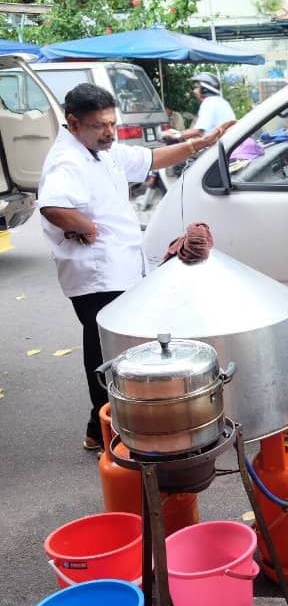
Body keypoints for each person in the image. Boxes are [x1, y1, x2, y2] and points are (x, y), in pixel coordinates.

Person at [37, 83, 234, 451]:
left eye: (112, 123)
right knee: (103, 352)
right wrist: (84, 226)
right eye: (99, 125)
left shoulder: (100, 150)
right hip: (97, 275)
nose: (108, 131)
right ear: (74, 123)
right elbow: (51, 206)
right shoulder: (68, 160)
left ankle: (109, 426)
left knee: (118, 350)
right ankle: (102, 427)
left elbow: (149, 160)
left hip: (119, 267)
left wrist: (199, 144)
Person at [174, 72, 236, 142]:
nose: (194, 91)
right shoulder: (221, 101)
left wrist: (175, 135)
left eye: (196, 87)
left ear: (205, 89)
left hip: (216, 148)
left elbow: (198, 131)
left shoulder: (209, 103)